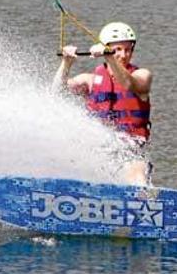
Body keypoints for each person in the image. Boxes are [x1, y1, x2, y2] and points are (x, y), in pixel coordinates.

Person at [54, 22, 153, 186]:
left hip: (130, 150)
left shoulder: (143, 75)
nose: (124, 54)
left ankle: (142, 199)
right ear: (106, 48)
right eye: (118, 49)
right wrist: (66, 64)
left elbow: (128, 84)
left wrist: (110, 57)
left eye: (128, 49)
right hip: (97, 148)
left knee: (137, 172)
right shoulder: (91, 80)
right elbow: (57, 92)